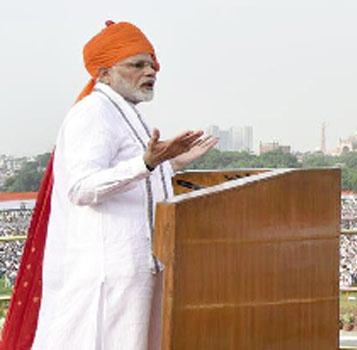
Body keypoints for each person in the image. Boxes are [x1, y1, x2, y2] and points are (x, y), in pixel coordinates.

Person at [0, 21, 217, 350]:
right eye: (138, 65)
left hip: (138, 268)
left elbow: (132, 180)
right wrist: (147, 163)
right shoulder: (93, 113)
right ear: (104, 73)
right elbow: (81, 188)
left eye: (152, 64)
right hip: (107, 273)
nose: (151, 71)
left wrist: (171, 164)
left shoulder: (125, 112)